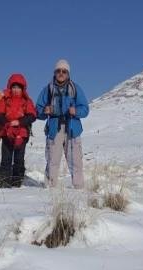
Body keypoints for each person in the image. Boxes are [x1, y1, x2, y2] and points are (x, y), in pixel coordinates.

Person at [35, 59, 90, 188]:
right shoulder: (48, 89)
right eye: (58, 71)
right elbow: (37, 109)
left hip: (72, 127)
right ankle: (50, 187)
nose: (61, 73)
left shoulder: (75, 88)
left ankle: (78, 187)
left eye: (64, 71)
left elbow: (85, 109)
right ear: (54, 73)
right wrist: (44, 111)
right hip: (54, 128)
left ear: (68, 73)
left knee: (75, 160)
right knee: (53, 160)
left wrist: (75, 111)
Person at [0, 74, 36, 188]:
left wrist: (19, 122)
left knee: (19, 159)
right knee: (6, 158)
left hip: (21, 134)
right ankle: (4, 182)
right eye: (14, 87)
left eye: (19, 87)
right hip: (6, 133)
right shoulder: (4, 100)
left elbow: (32, 116)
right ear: (10, 87)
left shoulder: (27, 101)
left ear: (23, 88)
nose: (16, 90)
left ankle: (17, 183)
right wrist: (7, 124)